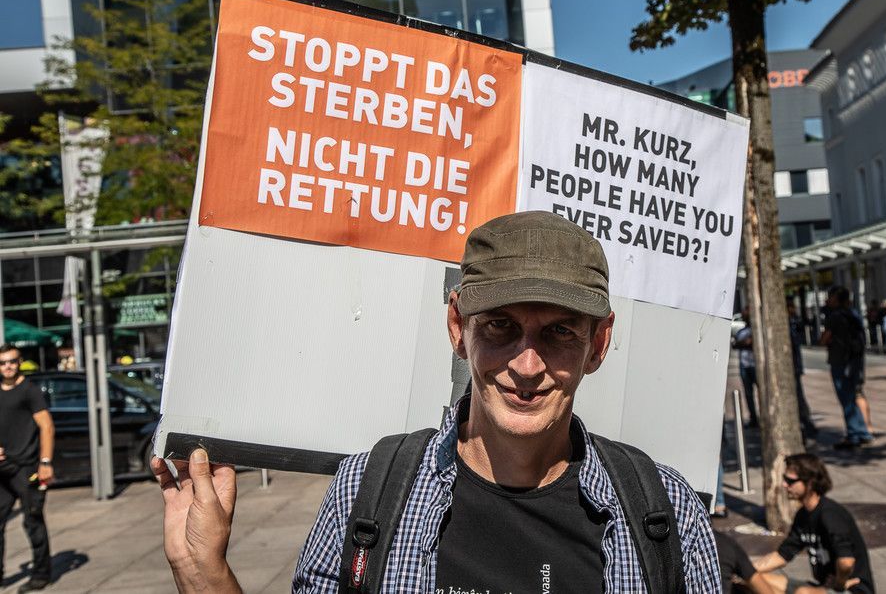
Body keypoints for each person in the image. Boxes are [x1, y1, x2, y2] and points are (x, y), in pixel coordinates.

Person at [152, 211, 721, 592]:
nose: (527, 366)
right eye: (499, 326)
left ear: (598, 344)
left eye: (559, 333)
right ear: (457, 327)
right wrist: (202, 570)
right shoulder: (368, 490)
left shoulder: (663, 510)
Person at [754, 453, 875, 594]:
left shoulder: (830, 515)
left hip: (852, 589)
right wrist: (744, 571)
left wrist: (839, 584)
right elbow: (782, 555)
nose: (784, 484)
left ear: (810, 483)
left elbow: (846, 561)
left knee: (803, 593)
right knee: (756, 580)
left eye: (790, 481)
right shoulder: (803, 515)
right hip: (823, 587)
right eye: (784, 479)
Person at [0, 344, 54, 592]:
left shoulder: (29, 391)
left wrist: (45, 462)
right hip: (3, 468)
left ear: (19, 362)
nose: (7, 366)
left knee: (32, 521)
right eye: (3, 363)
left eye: (12, 361)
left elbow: (47, 426)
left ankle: (41, 575)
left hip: (27, 467)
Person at [819, 287, 873, 450]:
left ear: (836, 299)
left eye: (830, 297)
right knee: (854, 395)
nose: (828, 300)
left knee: (847, 398)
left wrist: (826, 340)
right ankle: (862, 432)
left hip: (840, 360)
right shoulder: (853, 314)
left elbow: (824, 339)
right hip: (855, 360)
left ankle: (855, 434)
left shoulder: (834, 316)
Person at [788, 299, 817, 439]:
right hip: (794, 367)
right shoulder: (791, 323)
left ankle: (807, 427)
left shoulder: (791, 324)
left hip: (793, 368)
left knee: (798, 398)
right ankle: (807, 426)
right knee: (798, 398)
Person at [734, 307, 758, 428]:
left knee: (761, 392)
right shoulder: (741, 331)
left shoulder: (756, 329)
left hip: (756, 365)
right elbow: (735, 344)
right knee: (748, 394)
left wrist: (742, 343)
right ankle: (753, 418)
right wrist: (744, 343)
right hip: (744, 365)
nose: (744, 316)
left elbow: (750, 343)